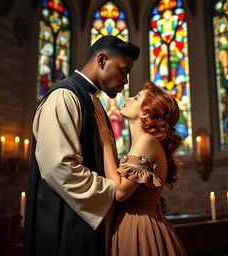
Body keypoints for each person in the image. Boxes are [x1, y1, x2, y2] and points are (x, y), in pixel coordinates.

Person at [23, 35, 140, 256]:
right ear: (103, 60)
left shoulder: (93, 101)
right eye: (124, 71)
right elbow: (59, 168)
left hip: (85, 224)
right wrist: (115, 192)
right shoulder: (64, 97)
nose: (126, 81)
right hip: (64, 229)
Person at [95, 80, 187, 256]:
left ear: (146, 113)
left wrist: (106, 144)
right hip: (134, 224)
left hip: (139, 229)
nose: (128, 99)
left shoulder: (147, 141)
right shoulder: (144, 142)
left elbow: (121, 192)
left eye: (136, 98)